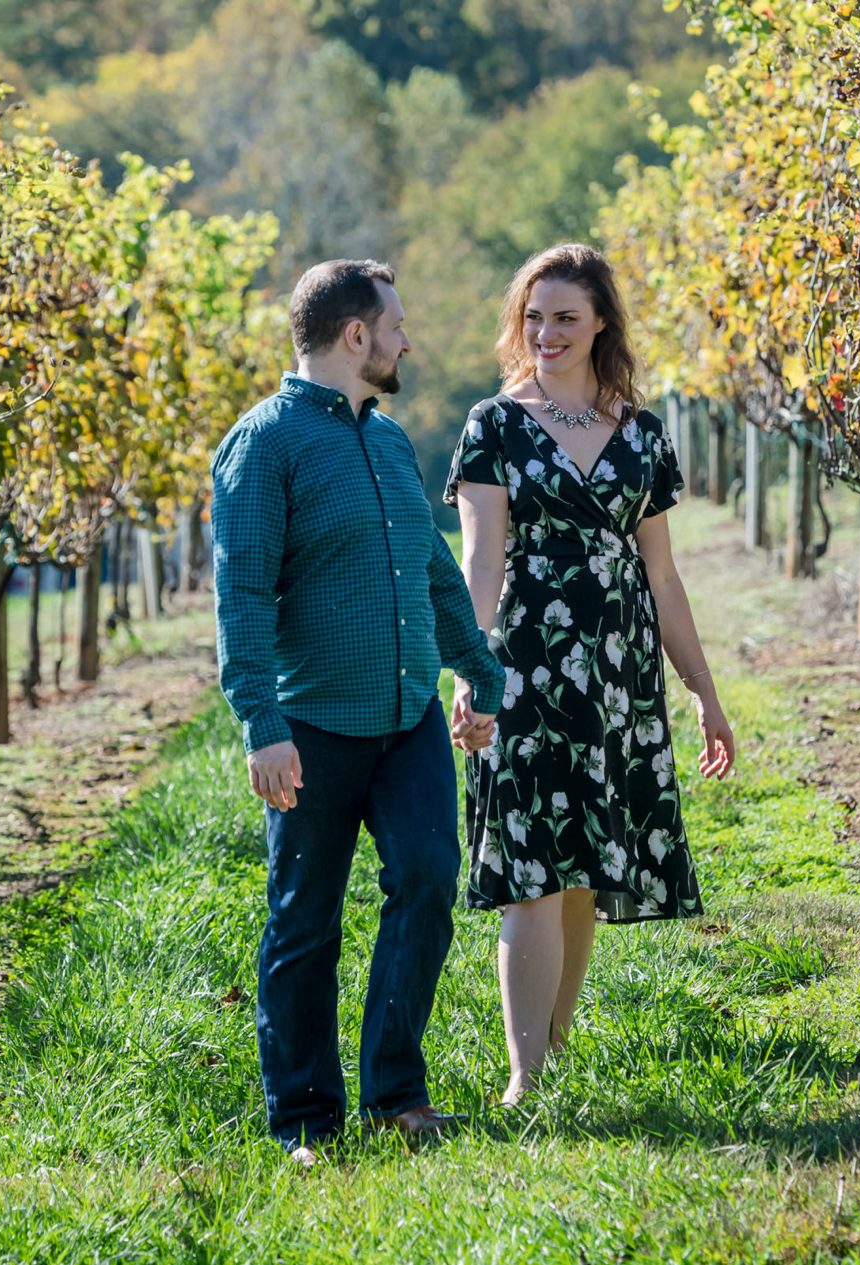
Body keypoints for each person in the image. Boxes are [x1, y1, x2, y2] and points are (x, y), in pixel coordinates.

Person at [210, 259, 506, 1167]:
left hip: (408, 717)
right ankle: (304, 1118)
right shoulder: (264, 444)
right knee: (305, 918)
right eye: (396, 326)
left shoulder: (389, 440)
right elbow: (242, 594)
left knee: (427, 878)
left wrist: (479, 671)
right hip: (312, 727)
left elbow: (431, 569)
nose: (406, 341)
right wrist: (260, 723)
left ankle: (396, 1093)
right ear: (355, 335)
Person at [443, 242, 737, 1107]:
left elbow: (663, 576)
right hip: (525, 665)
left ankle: (554, 1054)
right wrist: (471, 670)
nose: (547, 333)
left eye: (566, 317)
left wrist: (703, 690)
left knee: (581, 873)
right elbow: (481, 561)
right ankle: (524, 1078)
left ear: (601, 321)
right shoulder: (494, 425)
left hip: (616, 674)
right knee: (531, 869)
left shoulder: (642, 433)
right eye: (534, 317)